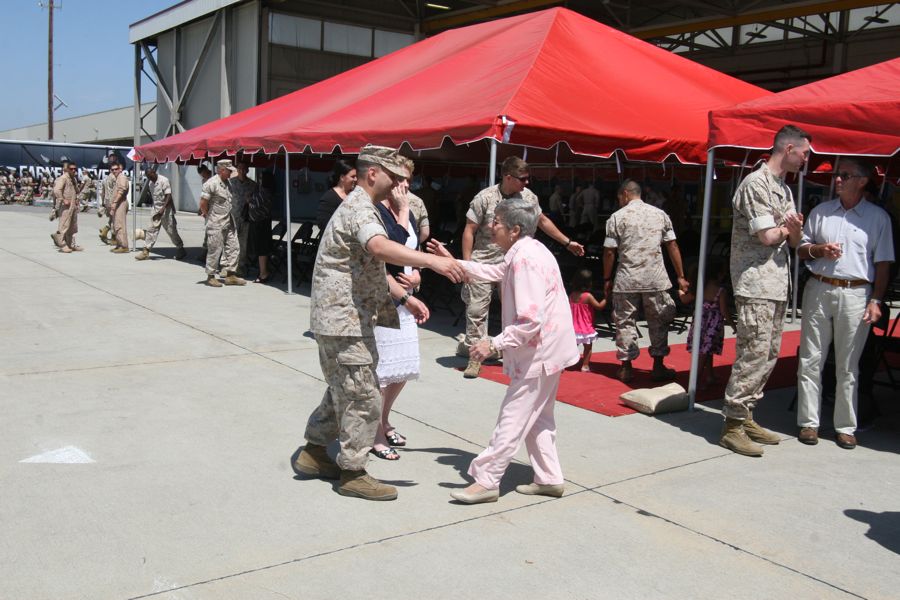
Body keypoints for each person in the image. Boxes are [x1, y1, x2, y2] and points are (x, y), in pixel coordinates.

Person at [291, 145, 464, 502]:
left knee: (345, 388)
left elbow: (380, 256)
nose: (401, 185)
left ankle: (313, 452)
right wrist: (432, 264)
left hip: (348, 318)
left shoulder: (362, 206)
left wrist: (404, 298)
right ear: (373, 173)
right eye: (395, 177)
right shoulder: (359, 208)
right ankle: (352, 471)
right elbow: (381, 248)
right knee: (364, 394)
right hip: (343, 319)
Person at [428, 196, 579, 504]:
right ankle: (549, 478)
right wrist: (454, 263)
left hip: (539, 353)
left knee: (513, 417)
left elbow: (529, 320)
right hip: (547, 351)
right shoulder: (525, 251)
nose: (490, 227)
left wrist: (493, 343)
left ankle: (487, 480)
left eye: (496, 222)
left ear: (515, 229)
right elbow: (496, 272)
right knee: (539, 418)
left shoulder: (525, 258)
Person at [719, 124, 809, 457]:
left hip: (775, 282)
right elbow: (768, 237)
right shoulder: (755, 184)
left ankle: (747, 415)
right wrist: (789, 228)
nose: (805, 159)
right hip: (755, 282)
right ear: (788, 149)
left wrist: (793, 230)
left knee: (768, 354)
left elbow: (794, 241)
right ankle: (732, 424)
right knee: (752, 353)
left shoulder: (783, 189)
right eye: (803, 153)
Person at [796, 158, 894, 449]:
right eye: (838, 175)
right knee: (810, 360)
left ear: (862, 181)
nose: (837, 179)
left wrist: (876, 299)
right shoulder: (822, 212)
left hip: (856, 293)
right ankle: (808, 423)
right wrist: (818, 249)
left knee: (848, 365)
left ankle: (845, 426)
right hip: (819, 287)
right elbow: (801, 250)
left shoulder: (878, 218)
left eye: (844, 175)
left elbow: (884, 263)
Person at [460, 156, 584, 379]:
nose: (527, 183)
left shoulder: (528, 198)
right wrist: (468, 265)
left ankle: (511, 353)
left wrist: (567, 242)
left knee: (520, 312)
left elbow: (542, 221)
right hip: (485, 261)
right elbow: (469, 230)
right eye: (523, 179)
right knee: (477, 311)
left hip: (518, 263)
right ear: (508, 177)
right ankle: (475, 358)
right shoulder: (485, 197)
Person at [370, 158, 428, 461]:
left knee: (401, 370)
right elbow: (391, 249)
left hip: (406, 296)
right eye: (399, 180)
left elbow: (411, 252)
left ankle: (384, 419)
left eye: (408, 181)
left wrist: (418, 275)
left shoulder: (411, 210)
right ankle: (375, 432)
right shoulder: (377, 211)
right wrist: (403, 210)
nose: (404, 186)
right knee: (382, 373)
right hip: (385, 300)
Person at [603, 179, 688, 383]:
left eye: (619, 197)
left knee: (625, 322)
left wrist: (607, 278)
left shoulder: (616, 217)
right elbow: (672, 246)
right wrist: (681, 276)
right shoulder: (660, 215)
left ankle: (626, 368)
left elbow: (609, 252)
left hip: (627, 279)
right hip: (655, 279)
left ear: (625, 194)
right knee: (658, 321)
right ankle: (658, 366)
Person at [679, 258, 736, 391]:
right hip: (713, 325)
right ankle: (694, 382)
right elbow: (724, 311)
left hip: (700, 323)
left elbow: (685, 299)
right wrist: (733, 324)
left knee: (705, 351)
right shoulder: (720, 291)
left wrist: (680, 291)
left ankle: (710, 375)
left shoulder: (700, 287)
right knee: (705, 353)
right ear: (717, 274)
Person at [199, 160, 246, 287]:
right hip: (216, 222)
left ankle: (231, 275)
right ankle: (211, 276)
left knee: (234, 247)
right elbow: (203, 203)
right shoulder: (211, 183)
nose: (231, 172)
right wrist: (208, 215)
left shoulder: (228, 182)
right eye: (229, 170)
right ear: (221, 170)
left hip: (229, 221)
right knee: (214, 249)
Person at [135, 165, 186, 261]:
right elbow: (154, 198)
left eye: (150, 175)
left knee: (171, 231)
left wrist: (164, 209)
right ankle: (146, 251)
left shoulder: (164, 180)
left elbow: (168, 196)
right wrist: (156, 210)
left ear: (154, 172)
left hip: (166, 210)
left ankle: (180, 248)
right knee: (151, 229)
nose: (150, 178)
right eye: (148, 177)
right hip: (156, 209)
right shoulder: (150, 183)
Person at [568, 269, 606, 372]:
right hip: (585, 327)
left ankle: (568, 362)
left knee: (571, 347)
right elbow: (599, 306)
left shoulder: (571, 295)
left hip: (573, 327)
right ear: (589, 283)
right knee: (588, 348)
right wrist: (607, 298)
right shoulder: (588, 296)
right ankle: (585, 365)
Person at [247, 171, 274, 283]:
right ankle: (262, 272)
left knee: (262, 249)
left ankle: (264, 273)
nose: (260, 180)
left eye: (262, 178)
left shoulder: (265, 192)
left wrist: (248, 198)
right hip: (259, 222)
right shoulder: (262, 191)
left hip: (262, 223)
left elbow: (253, 203)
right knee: (260, 249)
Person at [230, 161, 256, 275]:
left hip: (245, 218)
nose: (242, 170)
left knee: (243, 243)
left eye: (244, 168)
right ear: (237, 169)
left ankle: (241, 266)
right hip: (232, 217)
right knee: (230, 242)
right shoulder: (230, 183)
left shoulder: (253, 185)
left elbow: (257, 201)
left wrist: (250, 200)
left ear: (247, 170)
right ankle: (230, 266)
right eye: (239, 168)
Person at [316, 159, 357, 231]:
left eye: (356, 176)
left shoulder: (354, 194)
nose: (356, 179)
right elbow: (322, 223)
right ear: (342, 177)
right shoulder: (329, 198)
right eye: (352, 176)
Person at [51, 162, 82, 253]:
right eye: (71, 169)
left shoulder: (73, 179)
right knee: (64, 225)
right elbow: (57, 190)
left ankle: (70, 244)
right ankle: (62, 244)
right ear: (67, 169)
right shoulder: (63, 178)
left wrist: (77, 200)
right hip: (66, 206)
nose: (73, 170)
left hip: (73, 205)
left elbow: (76, 191)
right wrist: (63, 199)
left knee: (72, 226)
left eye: (75, 169)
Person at [108, 163, 130, 253]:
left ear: (120, 169)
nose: (114, 171)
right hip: (117, 204)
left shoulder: (122, 177)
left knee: (120, 224)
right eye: (112, 169)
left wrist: (115, 202)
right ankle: (119, 244)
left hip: (120, 203)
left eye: (116, 169)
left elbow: (121, 191)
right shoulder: (117, 178)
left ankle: (124, 246)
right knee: (116, 224)